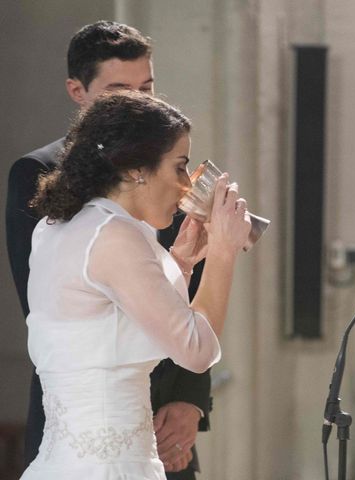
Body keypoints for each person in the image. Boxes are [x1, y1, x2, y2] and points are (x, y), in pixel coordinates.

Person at [5, 21, 213, 478]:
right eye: (120, 89)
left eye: (147, 88)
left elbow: (184, 285)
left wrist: (187, 402)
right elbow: (55, 309)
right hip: (90, 415)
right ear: (77, 91)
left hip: (164, 406)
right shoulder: (39, 173)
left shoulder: (166, 169)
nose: (139, 103)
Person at [19, 90, 251, 479]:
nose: (185, 186)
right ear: (134, 169)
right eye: (180, 166)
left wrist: (183, 264)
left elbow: (111, 326)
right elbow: (195, 350)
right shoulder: (114, 235)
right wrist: (224, 252)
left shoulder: (57, 228)